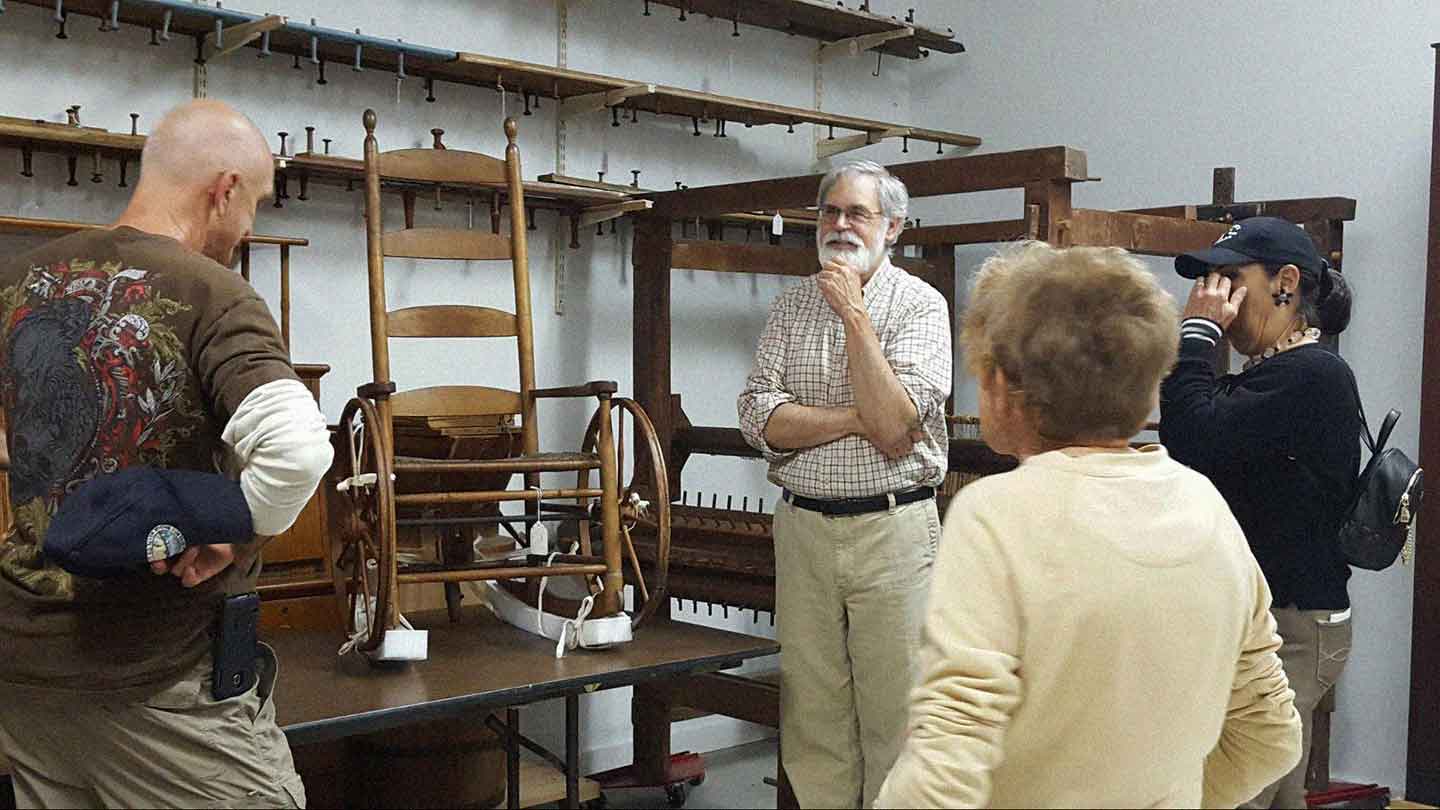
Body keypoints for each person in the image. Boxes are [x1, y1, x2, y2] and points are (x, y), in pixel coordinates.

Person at [875, 242, 1302, 808]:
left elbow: (946, 761)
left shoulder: (998, 514)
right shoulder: (1203, 503)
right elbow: (1270, 737)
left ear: (1001, 387)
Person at [0, 99, 333, 808]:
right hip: (153, 676)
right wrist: (233, 523)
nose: (249, 229)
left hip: (24, 676)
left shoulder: (19, 281)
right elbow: (299, 449)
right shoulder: (211, 291)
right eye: (256, 205)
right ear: (225, 189)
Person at [737, 160, 952, 808]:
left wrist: (856, 315)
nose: (838, 224)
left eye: (856, 213)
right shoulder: (791, 304)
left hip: (893, 529)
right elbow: (757, 417)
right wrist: (862, 419)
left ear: (893, 226)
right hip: (803, 528)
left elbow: (900, 420)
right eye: (830, 211)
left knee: (900, 716)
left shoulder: (919, 305)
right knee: (812, 718)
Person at [1160, 216, 1360, 809]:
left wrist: (1196, 334)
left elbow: (1191, 436)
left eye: (1229, 279)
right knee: (1272, 794)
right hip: (1279, 618)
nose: (1212, 296)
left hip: (1295, 626)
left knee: (1237, 789)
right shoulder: (1273, 373)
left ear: (1286, 284)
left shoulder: (1313, 374)